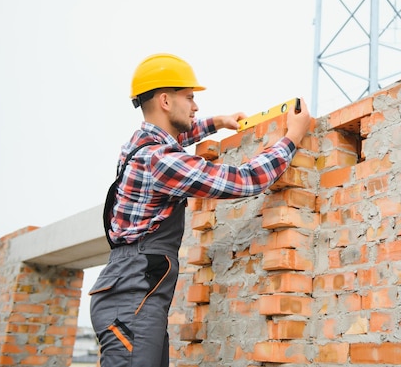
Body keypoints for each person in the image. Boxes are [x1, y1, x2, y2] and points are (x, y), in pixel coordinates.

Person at [89, 53, 311, 367]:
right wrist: (292, 137)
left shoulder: (139, 145)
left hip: (132, 292)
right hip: (132, 298)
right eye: (190, 98)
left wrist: (217, 123)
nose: (196, 106)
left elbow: (176, 137)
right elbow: (244, 180)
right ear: (165, 101)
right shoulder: (159, 161)